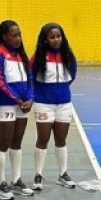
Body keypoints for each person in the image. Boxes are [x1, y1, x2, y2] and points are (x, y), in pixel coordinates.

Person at [31, 22, 78, 190]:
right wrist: (37, 95)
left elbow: (72, 74)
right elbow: (31, 77)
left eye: (58, 36)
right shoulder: (38, 56)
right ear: (45, 39)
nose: (56, 40)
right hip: (44, 104)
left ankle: (63, 174)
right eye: (52, 37)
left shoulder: (68, 56)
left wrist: (61, 89)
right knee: (43, 139)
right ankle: (38, 175)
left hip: (64, 104)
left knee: (61, 139)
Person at [0, 20, 34, 198]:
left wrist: (30, 98)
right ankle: (0, 183)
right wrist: (15, 99)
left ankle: (16, 180)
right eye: (14, 35)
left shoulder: (21, 55)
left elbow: (30, 78)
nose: (18, 38)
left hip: (22, 104)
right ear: (4, 36)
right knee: (4, 142)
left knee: (17, 142)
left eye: (19, 35)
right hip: (7, 103)